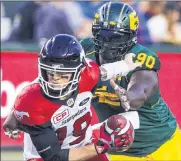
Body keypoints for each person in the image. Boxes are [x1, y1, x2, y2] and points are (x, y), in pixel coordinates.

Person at [80, 2, 181, 161]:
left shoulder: (140, 57)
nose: (108, 43)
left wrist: (128, 96)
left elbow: (139, 92)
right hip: (122, 149)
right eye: (103, 35)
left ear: (131, 36)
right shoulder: (85, 52)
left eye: (117, 36)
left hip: (162, 141)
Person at [3, 34, 141, 161]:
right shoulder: (32, 100)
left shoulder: (89, 74)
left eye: (63, 75)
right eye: (50, 73)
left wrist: (124, 67)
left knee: (122, 125)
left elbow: (102, 72)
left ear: (79, 73)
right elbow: (54, 157)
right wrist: (101, 146)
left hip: (81, 142)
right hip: (45, 158)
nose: (55, 80)